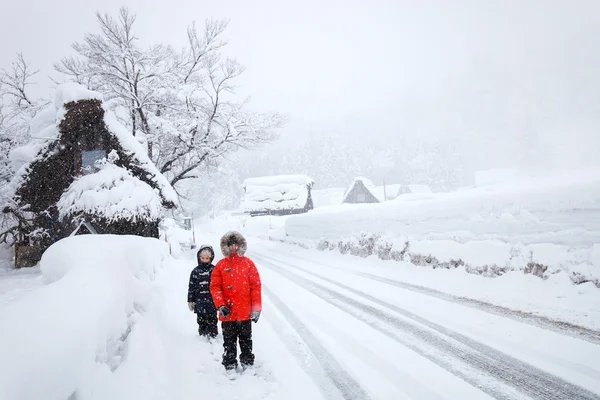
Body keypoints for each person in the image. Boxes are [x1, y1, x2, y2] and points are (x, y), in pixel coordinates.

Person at [210, 231, 262, 371]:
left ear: (240, 246)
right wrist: (220, 305)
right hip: (228, 313)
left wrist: (256, 308)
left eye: (235, 245)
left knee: (246, 340)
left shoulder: (248, 263)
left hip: (245, 312)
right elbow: (215, 287)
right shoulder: (221, 265)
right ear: (226, 247)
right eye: (230, 245)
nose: (233, 248)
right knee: (229, 341)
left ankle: (247, 362)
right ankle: (230, 364)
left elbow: (255, 286)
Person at [187, 244, 218, 339]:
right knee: (201, 320)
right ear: (199, 257)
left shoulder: (214, 270)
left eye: (207, 258)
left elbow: (218, 286)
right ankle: (203, 335)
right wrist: (190, 300)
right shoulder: (195, 271)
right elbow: (191, 286)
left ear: (210, 258)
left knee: (212, 319)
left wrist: (219, 300)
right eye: (202, 258)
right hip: (199, 301)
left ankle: (213, 335)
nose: (204, 260)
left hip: (211, 301)